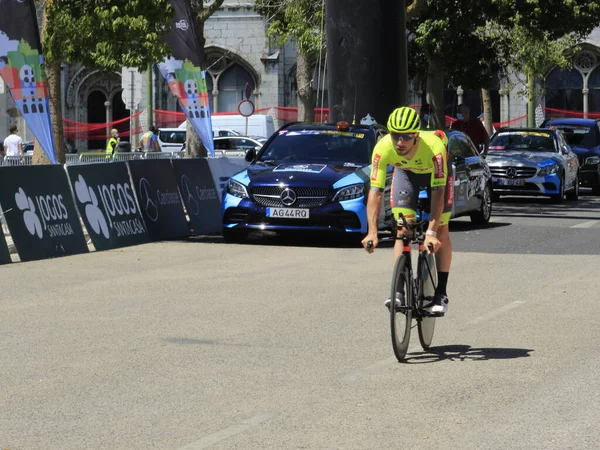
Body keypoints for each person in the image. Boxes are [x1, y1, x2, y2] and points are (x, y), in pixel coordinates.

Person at [361, 106, 453, 315]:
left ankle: (441, 293)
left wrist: (431, 231)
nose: (400, 143)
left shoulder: (435, 147)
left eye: (406, 137)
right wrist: (372, 232)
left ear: (417, 136)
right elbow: (375, 192)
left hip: (436, 179)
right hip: (406, 174)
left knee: (441, 232)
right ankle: (399, 290)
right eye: (395, 137)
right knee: (402, 230)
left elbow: (439, 190)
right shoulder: (382, 148)